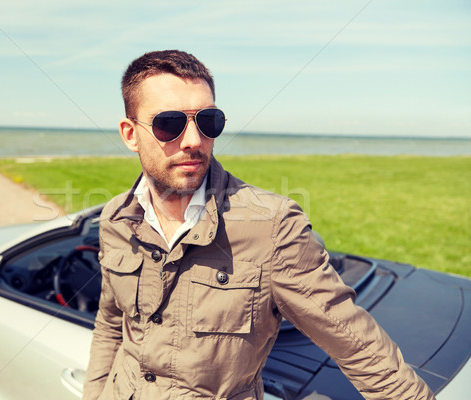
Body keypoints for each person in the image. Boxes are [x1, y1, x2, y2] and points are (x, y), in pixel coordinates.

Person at [83, 50, 435, 400]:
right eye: (169, 124)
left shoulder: (272, 226)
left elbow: (357, 345)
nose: (193, 140)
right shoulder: (116, 218)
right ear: (130, 134)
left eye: (208, 121)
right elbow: (112, 325)